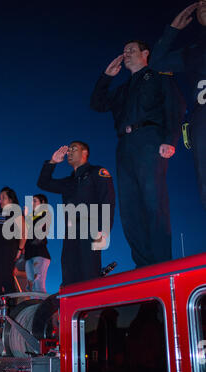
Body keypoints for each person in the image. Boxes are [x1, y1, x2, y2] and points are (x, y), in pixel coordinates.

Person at [90, 40, 185, 268]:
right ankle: (143, 265)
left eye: (132, 50)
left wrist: (170, 139)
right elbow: (96, 103)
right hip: (125, 146)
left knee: (153, 202)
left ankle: (162, 264)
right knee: (130, 209)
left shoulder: (158, 75)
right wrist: (107, 77)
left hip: (150, 141)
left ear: (145, 53)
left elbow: (176, 105)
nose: (127, 54)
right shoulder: (122, 89)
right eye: (124, 51)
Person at [149, 2, 206, 211]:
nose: (203, 5)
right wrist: (173, 29)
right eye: (199, 5)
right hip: (202, 118)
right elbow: (157, 62)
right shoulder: (193, 51)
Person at [37, 141, 115, 286]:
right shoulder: (69, 181)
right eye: (68, 150)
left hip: (91, 230)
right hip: (70, 232)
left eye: (74, 149)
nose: (69, 152)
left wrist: (104, 231)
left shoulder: (97, 173)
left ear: (85, 153)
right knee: (69, 275)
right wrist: (52, 162)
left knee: (89, 275)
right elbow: (43, 183)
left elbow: (108, 200)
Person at [24, 194, 51, 293]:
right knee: (31, 287)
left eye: (35, 201)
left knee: (38, 285)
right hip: (29, 254)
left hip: (40, 254)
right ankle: (34, 307)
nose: (32, 203)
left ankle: (45, 307)